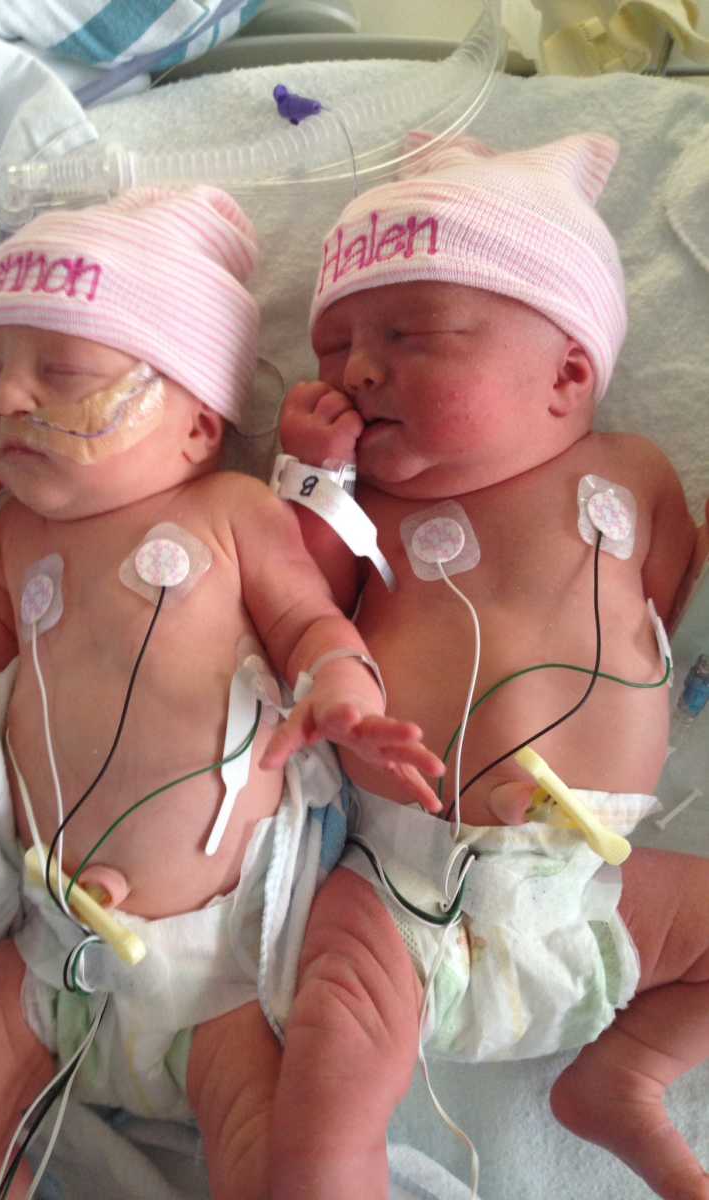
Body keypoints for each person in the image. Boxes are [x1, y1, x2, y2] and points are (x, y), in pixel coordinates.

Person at [0, 186, 445, 1200]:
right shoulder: (20, 541)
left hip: (211, 969)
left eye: (60, 373)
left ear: (198, 422)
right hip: (49, 943)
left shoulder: (231, 513)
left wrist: (340, 696)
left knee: (266, 1158)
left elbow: (310, 624)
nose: (9, 399)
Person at [268, 132, 709, 1199]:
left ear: (566, 375)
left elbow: (681, 600)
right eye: (334, 350)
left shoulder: (633, 473)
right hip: (400, 881)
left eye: (410, 337)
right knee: (328, 1060)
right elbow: (296, 602)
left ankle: (626, 1075)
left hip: (595, 887)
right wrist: (311, 480)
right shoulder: (371, 505)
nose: (357, 369)